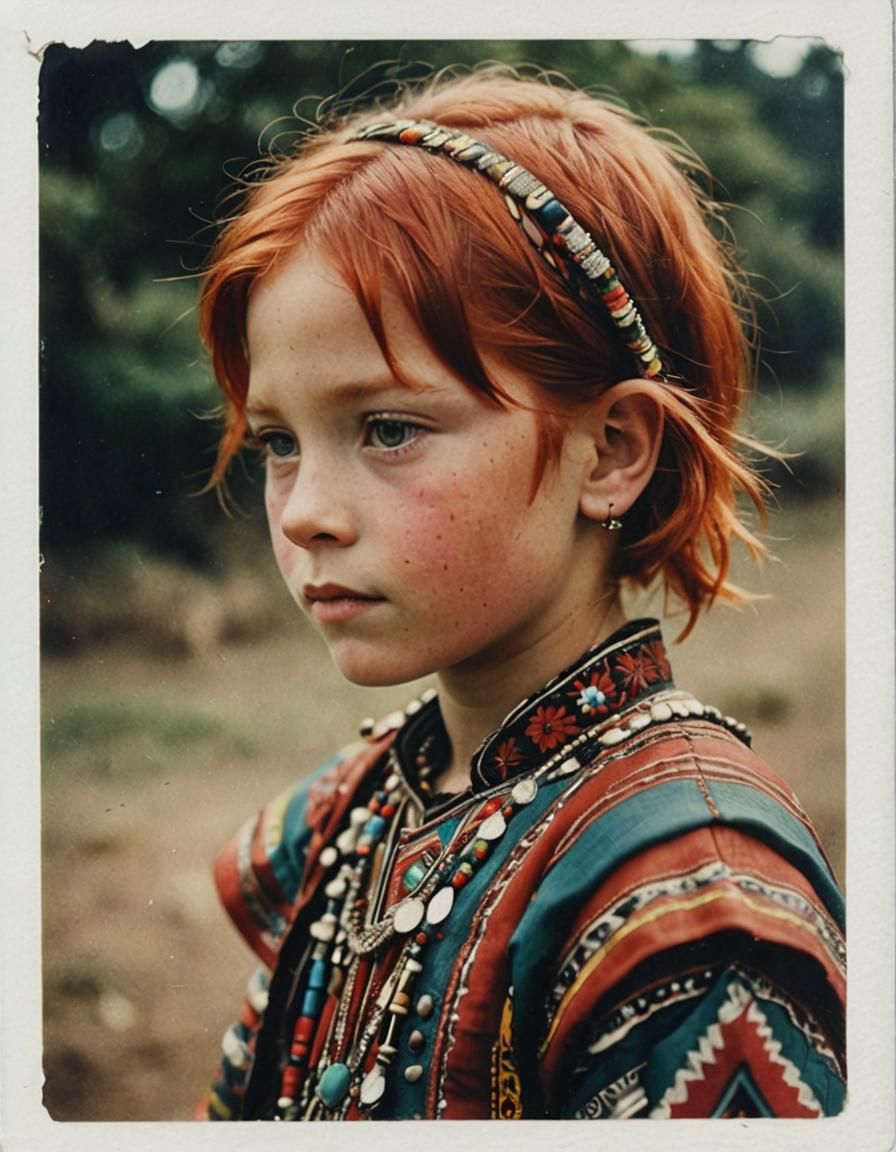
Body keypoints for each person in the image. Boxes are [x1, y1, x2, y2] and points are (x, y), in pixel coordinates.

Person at [194, 70, 845, 1121]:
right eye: (278, 442)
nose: (305, 511)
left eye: (388, 428)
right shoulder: (348, 815)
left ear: (612, 451)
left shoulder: (694, 899)